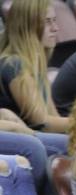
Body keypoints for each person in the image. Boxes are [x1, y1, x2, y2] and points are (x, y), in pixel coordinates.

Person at [0, 0, 69, 134]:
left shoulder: (36, 62)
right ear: (28, 26)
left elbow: (53, 115)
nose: (55, 28)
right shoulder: (15, 64)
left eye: (54, 20)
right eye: (47, 22)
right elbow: (42, 124)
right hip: (27, 139)